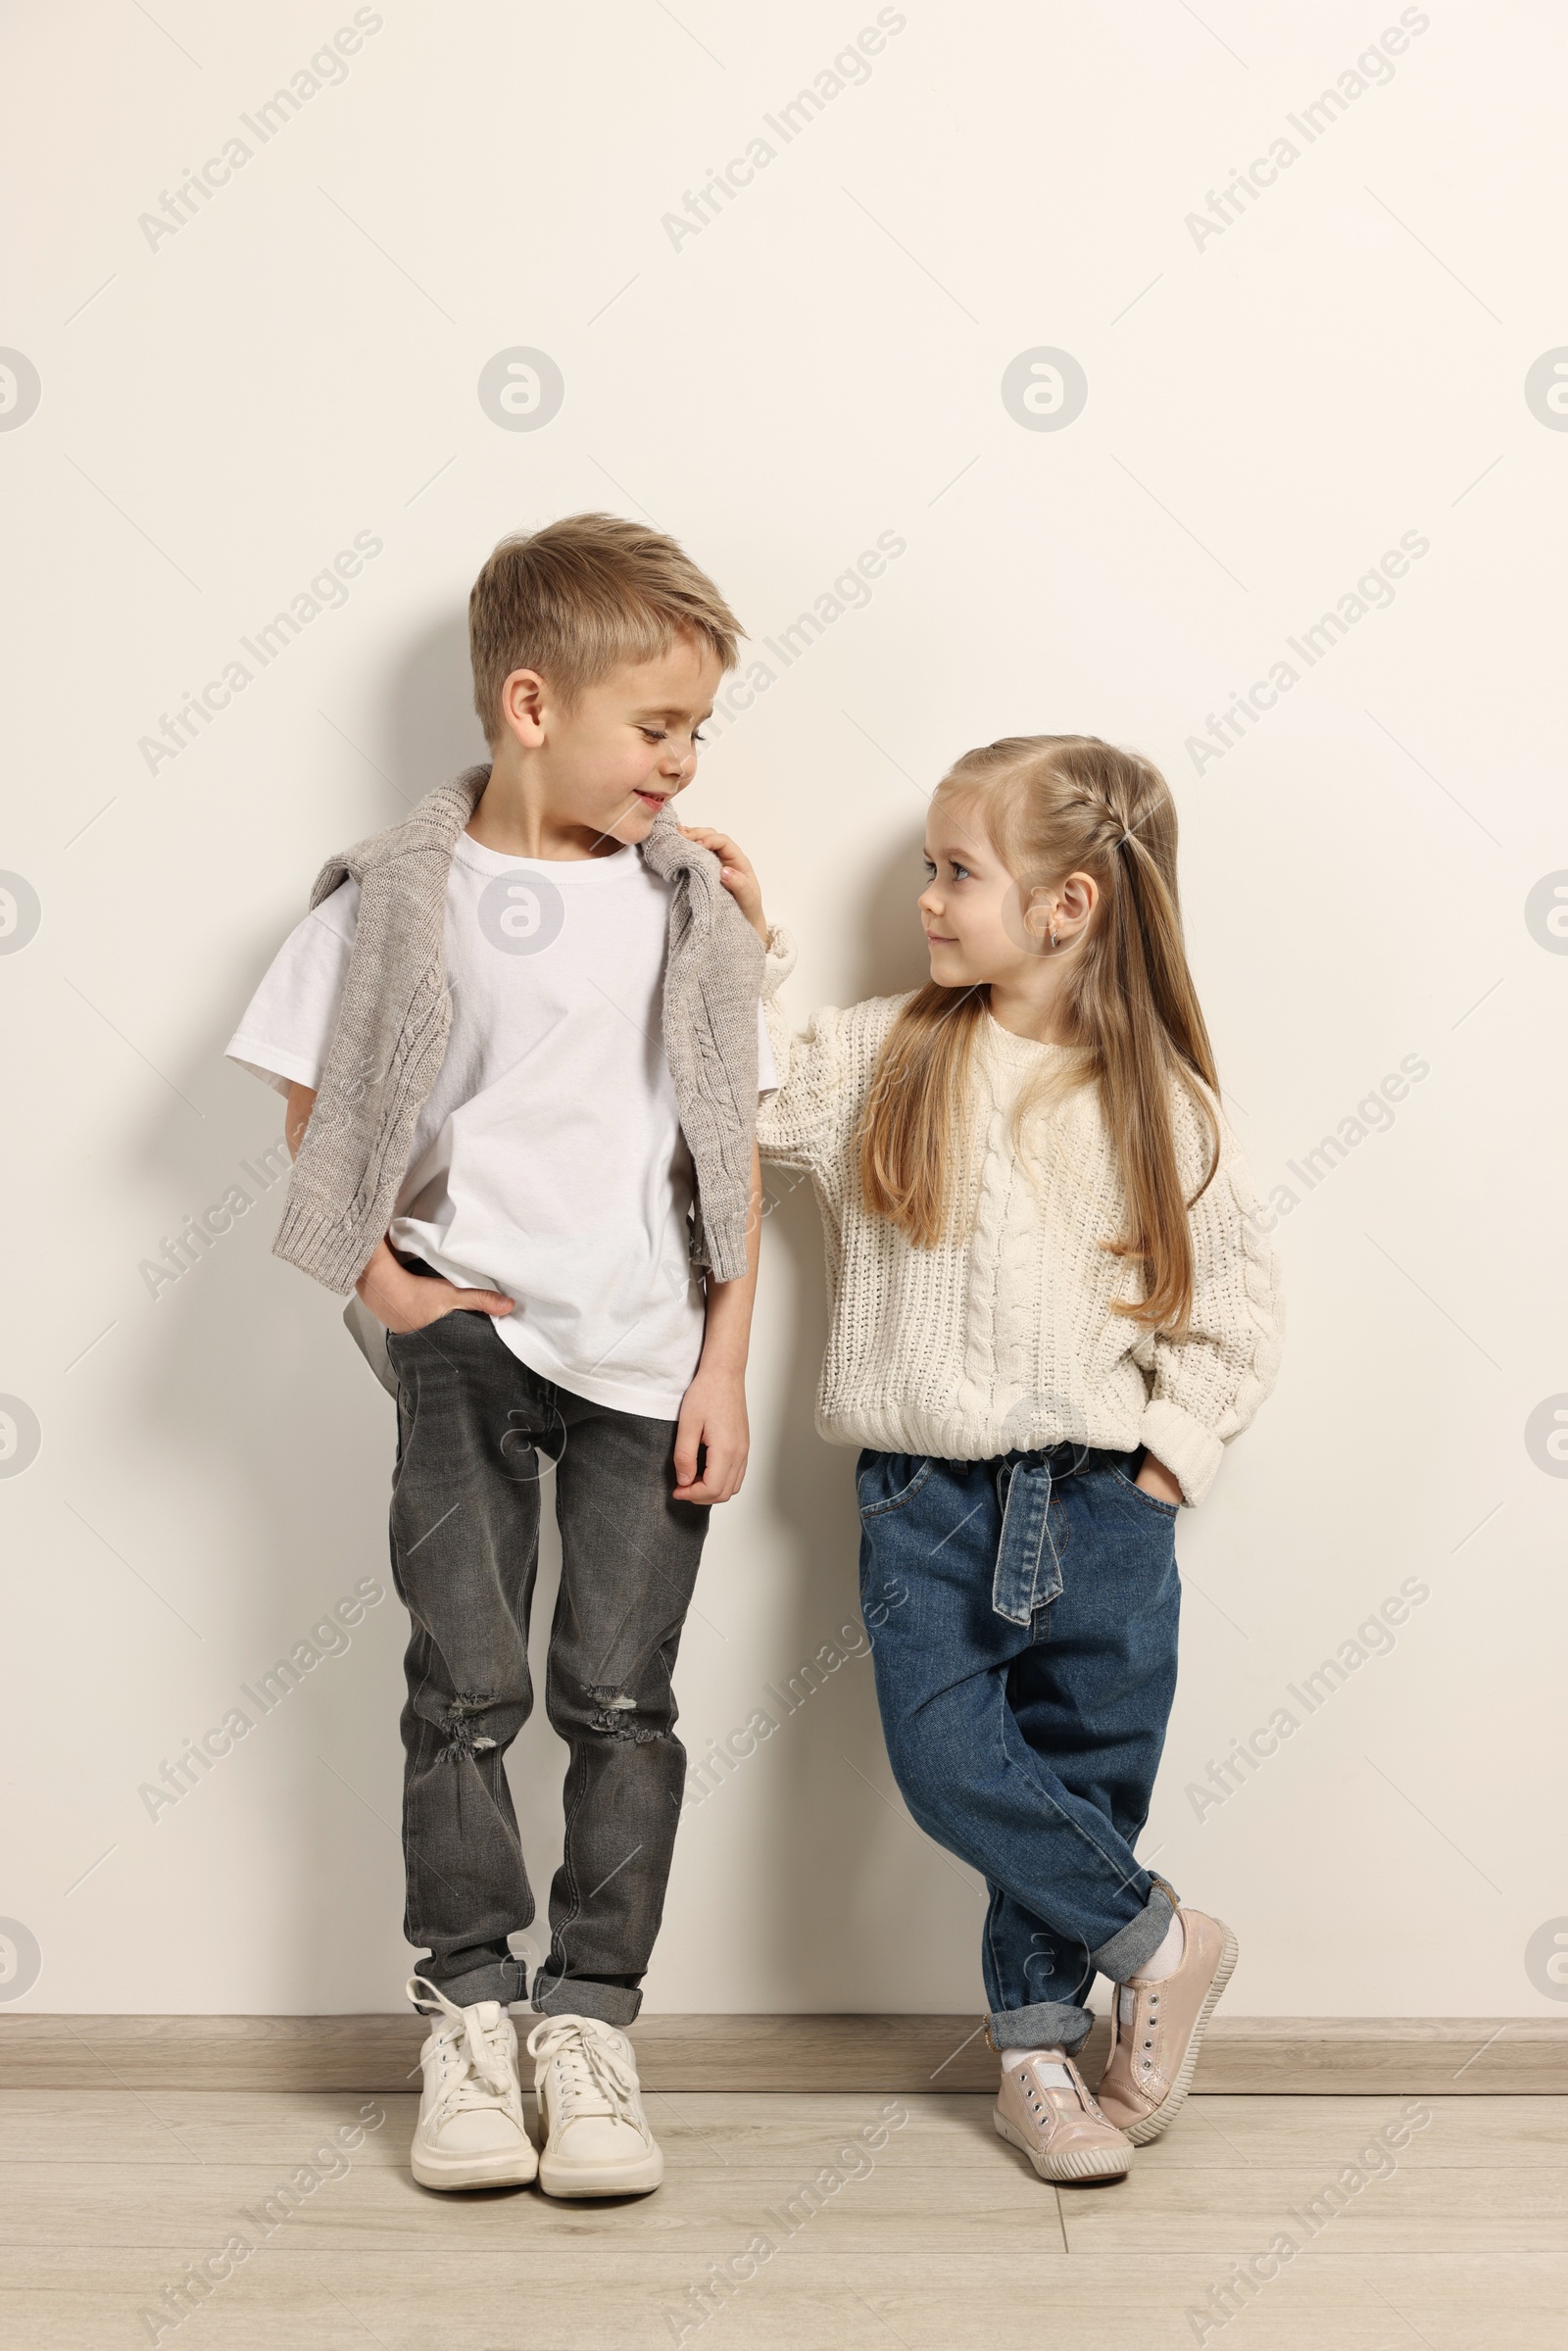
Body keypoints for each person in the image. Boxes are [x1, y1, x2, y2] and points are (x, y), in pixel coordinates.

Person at [224, 514, 789, 2197]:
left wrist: (724, 1363)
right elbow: (307, 1084)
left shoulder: (687, 906)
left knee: (619, 1698)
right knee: (462, 1691)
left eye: (699, 730)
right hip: (468, 1341)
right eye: (660, 727)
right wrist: (386, 1283)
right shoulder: (406, 893)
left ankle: (591, 2026)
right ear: (531, 707)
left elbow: (732, 1157)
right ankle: (467, 2019)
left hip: (644, 1353)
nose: (684, 764)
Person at [693, 732, 1284, 2185]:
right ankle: (1163, 1941)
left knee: (1085, 1777)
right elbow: (760, 1100)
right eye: (928, 868)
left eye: (958, 871)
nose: (928, 897)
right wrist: (745, 940)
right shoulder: (891, 1051)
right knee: (950, 1761)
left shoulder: (1163, 1105)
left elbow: (1238, 1319)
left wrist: (1161, 1470)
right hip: (927, 1499)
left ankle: (1040, 2055)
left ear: (1068, 905)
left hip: (1101, 1501)